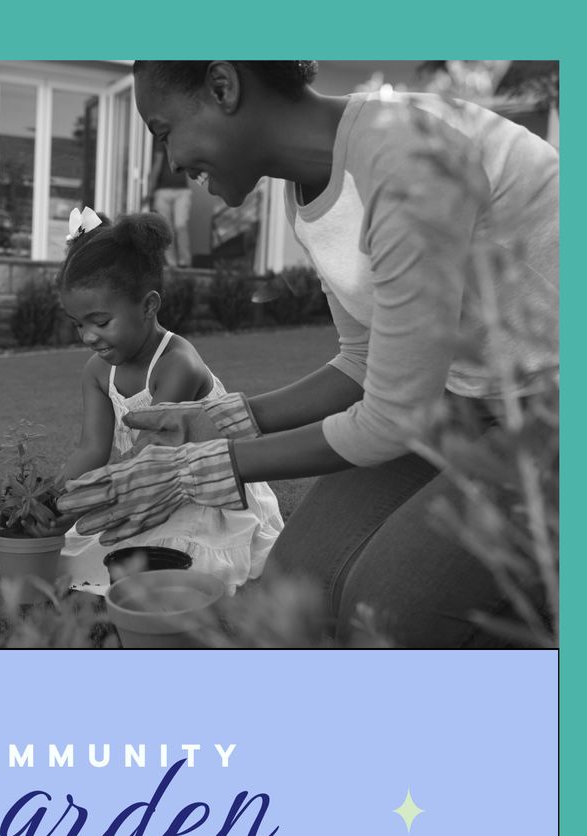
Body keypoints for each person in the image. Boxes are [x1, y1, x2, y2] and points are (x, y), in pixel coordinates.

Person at [58, 61, 559, 647]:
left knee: (385, 615)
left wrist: (203, 468)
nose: (170, 160)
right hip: (467, 403)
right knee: (288, 597)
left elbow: (393, 419)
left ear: (223, 87)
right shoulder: (307, 195)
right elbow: (362, 358)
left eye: (164, 131)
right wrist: (218, 421)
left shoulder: (402, 160)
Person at [55, 206, 283, 595]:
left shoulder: (177, 364)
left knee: (167, 560)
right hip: (145, 486)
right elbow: (91, 448)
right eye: (79, 324)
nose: (88, 336)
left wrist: (86, 500)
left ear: (148, 306)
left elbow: (149, 455)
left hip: (204, 492)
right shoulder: (96, 371)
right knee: (79, 554)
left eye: (100, 321)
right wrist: (53, 496)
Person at [145, 143, 193, 268]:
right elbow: (158, 163)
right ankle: (174, 264)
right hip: (163, 190)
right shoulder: (162, 140)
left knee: (177, 226)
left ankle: (183, 262)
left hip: (181, 190)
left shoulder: (180, 138)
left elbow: (157, 164)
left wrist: (150, 191)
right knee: (173, 227)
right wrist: (151, 190)